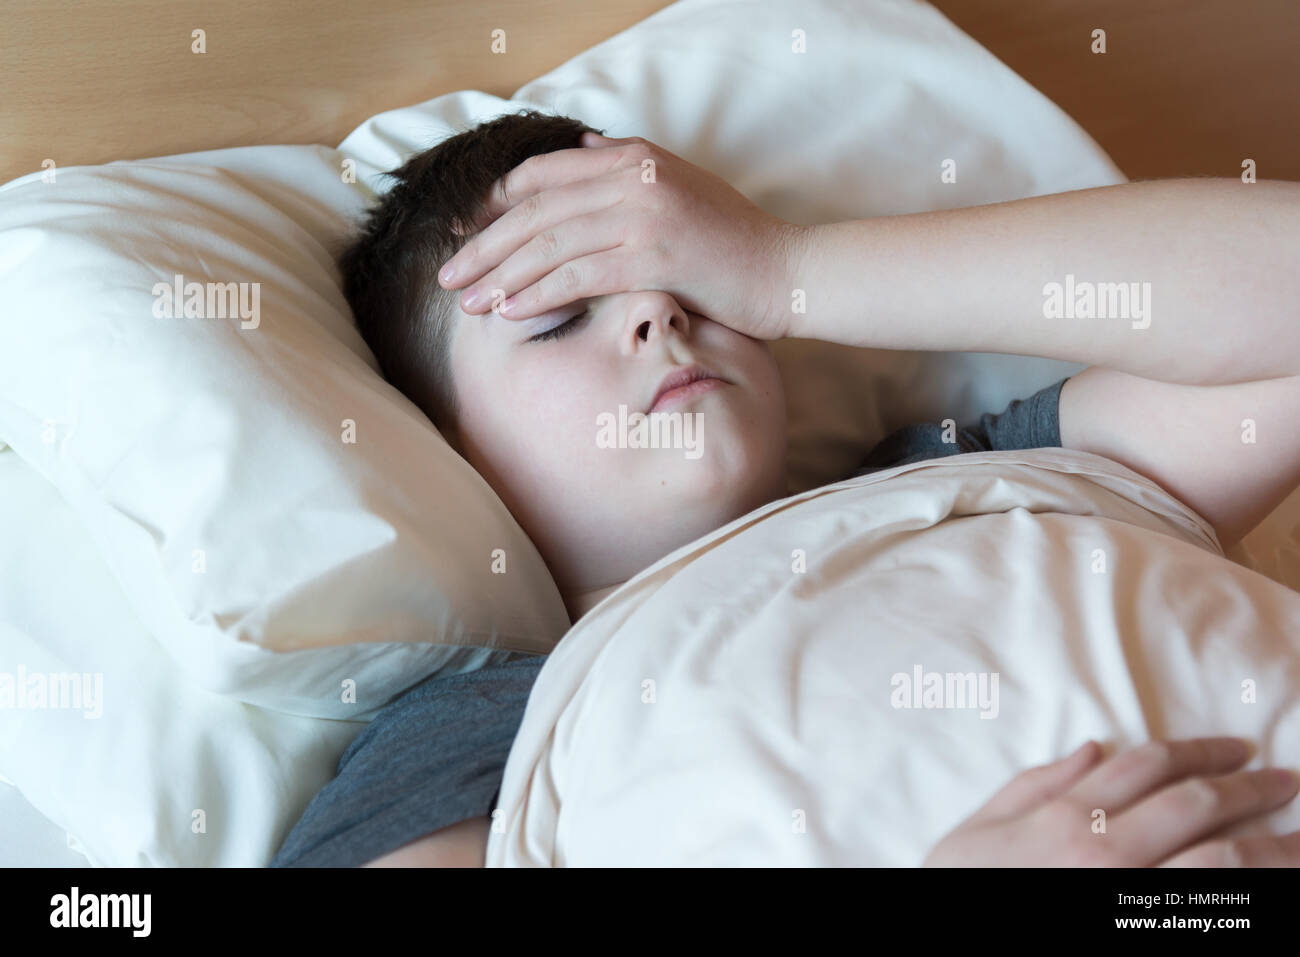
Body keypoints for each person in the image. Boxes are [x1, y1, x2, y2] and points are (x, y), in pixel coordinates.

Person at [271, 110, 1300, 868]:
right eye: (555, 319)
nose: (660, 321)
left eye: (695, 290)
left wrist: (789, 266)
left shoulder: (972, 474)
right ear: (444, 450)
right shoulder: (478, 725)